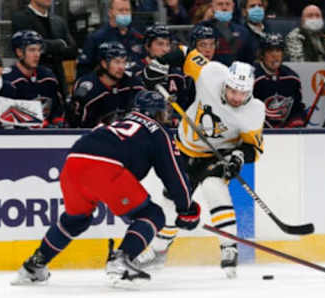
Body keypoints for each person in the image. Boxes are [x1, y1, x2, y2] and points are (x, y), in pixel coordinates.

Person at [11, 90, 200, 288]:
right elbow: (174, 174)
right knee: (152, 215)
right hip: (106, 168)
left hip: (72, 163)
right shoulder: (157, 131)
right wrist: (186, 208)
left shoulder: (115, 121)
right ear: (159, 112)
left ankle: (34, 266)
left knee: (75, 220)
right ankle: (121, 259)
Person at [136, 46, 265, 279]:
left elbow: (252, 148)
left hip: (217, 155)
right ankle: (158, 250)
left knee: (213, 187)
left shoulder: (255, 111)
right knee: (174, 201)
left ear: (251, 91)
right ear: (225, 83)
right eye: (232, 90)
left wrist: (237, 157)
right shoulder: (212, 73)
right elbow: (186, 51)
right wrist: (161, 64)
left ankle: (229, 247)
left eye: (242, 94)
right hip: (184, 149)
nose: (236, 97)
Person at [68, 41, 145, 128]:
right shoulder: (87, 89)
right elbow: (76, 126)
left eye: (124, 62)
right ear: (104, 64)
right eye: (117, 62)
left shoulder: (134, 84)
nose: (122, 67)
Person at [11, 0, 78, 97]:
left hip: (58, 81)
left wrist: (48, 46)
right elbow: (27, 46)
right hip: (32, 81)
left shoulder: (58, 21)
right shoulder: (21, 17)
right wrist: (59, 44)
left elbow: (72, 50)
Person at [3, 30, 65, 127]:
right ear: (19, 52)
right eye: (32, 50)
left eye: (39, 50)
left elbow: (57, 110)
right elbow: (5, 115)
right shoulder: (8, 79)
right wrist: (38, 124)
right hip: (17, 138)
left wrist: (58, 121)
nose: (37, 54)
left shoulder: (48, 77)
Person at [135, 25, 194, 121]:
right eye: (160, 44)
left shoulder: (177, 75)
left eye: (167, 44)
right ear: (147, 46)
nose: (165, 49)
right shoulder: (136, 72)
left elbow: (184, 106)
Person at [76, 0, 144, 78]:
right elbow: (84, 70)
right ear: (110, 12)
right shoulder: (96, 38)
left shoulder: (137, 36)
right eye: (121, 10)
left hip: (134, 84)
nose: (125, 13)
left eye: (127, 10)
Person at [253, 34, 306, 128]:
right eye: (270, 51)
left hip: (285, 134)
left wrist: (296, 121)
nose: (275, 55)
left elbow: (297, 108)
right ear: (262, 54)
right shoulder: (253, 78)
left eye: (278, 50)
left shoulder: (292, 78)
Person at [198, 0, 253, 66]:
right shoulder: (202, 28)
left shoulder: (243, 32)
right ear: (212, 7)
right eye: (220, 4)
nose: (224, 8)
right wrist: (205, 21)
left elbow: (249, 60)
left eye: (228, 4)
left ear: (233, 6)